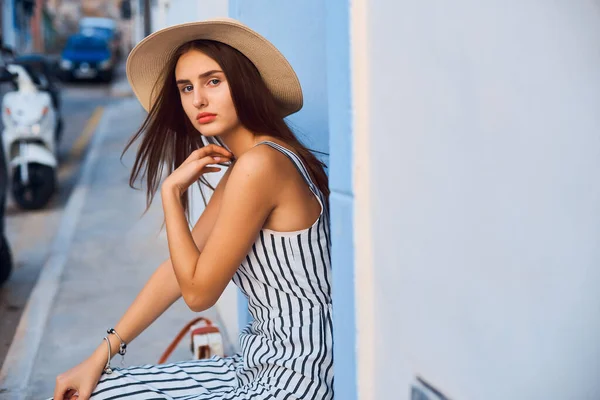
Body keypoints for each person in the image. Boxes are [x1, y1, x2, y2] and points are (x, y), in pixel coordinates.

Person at [52, 18, 333, 400]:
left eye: (213, 81)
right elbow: (174, 274)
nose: (197, 99)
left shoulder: (261, 165)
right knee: (90, 390)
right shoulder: (247, 164)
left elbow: (199, 294)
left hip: (297, 375)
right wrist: (99, 356)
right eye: (186, 87)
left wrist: (171, 195)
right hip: (254, 364)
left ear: (244, 81)